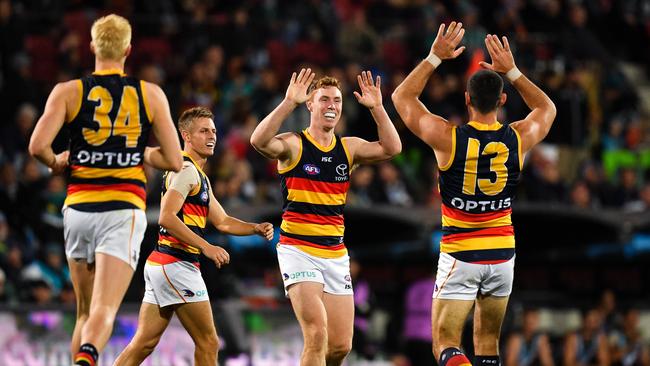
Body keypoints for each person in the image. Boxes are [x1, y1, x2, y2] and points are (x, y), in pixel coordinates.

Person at [392, 21, 557, 365]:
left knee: (445, 343)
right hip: (502, 254)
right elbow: (547, 109)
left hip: (461, 252)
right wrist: (512, 70)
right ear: (502, 100)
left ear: (467, 99)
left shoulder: (447, 138)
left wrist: (434, 58)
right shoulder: (518, 137)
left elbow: (402, 98)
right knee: (487, 343)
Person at [28, 14, 182, 366]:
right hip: (122, 210)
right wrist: (138, 151)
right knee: (104, 309)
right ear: (129, 49)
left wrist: (56, 162)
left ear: (92, 47)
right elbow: (174, 159)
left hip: (79, 210)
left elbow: (37, 146)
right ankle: (88, 357)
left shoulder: (68, 92)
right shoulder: (150, 94)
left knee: (83, 312)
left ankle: (81, 356)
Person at [250, 69, 401, 365]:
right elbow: (258, 140)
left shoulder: (348, 148)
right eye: (324, 99)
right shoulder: (294, 144)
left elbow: (392, 147)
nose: (331, 105)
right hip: (299, 251)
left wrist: (378, 108)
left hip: (334, 253)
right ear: (310, 104)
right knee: (317, 334)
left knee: (340, 346)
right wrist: (288, 103)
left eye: (337, 100)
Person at [114, 107, 274, 365]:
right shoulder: (185, 170)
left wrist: (254, 227)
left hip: (163, 264)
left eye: (213, 130)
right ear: (186, 136)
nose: (212, 136)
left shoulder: (197, 175)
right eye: (203, 131)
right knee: (209, 342)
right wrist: (206, 247)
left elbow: (222, 221)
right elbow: (167, 216)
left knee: (144, 343)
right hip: (176, 264)